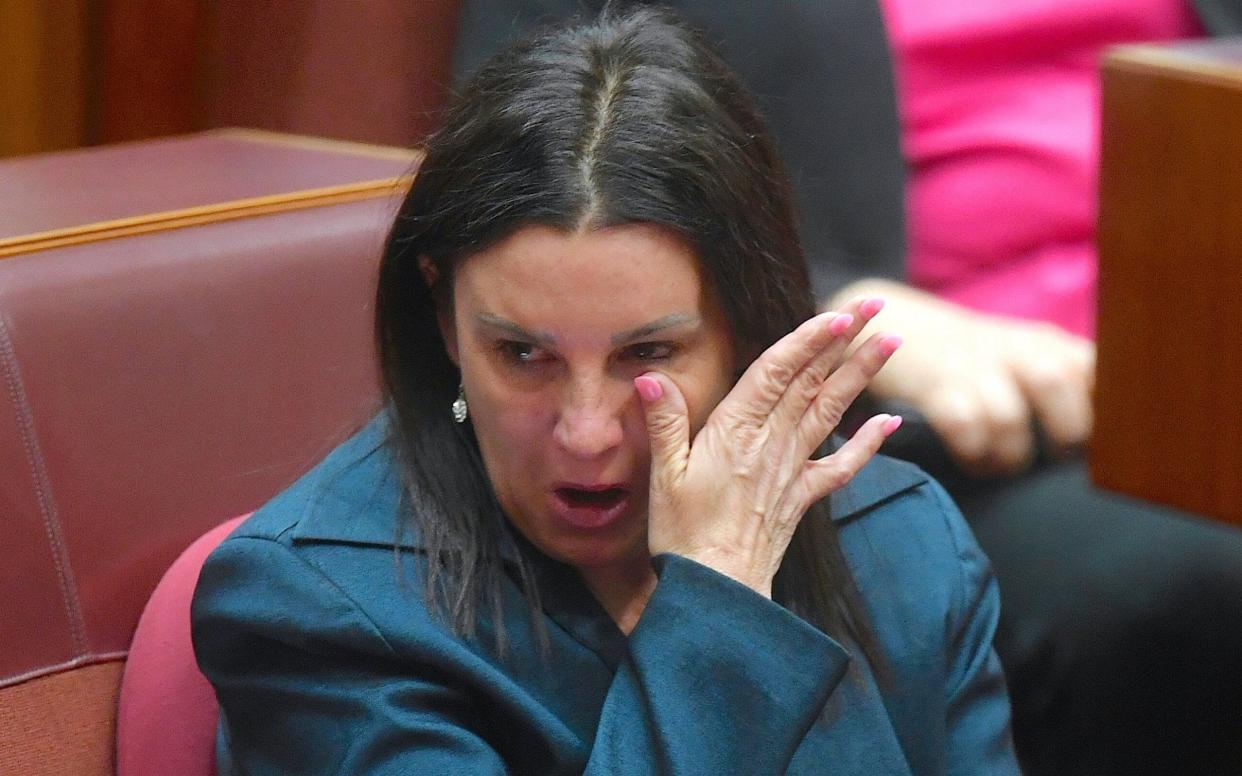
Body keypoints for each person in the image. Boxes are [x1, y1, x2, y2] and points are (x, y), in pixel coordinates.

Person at [192, 8, 1021, 774]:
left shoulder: (904, 546)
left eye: (648, 352)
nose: (586, 433)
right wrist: (719, 595)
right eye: (522, 354)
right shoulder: (315, 611)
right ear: (446, 323)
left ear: (741, 332)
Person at [452, 1, 1242, 774]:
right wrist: (833, 308)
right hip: (923, 415)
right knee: (1191, 578)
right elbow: (529, 164)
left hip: (1197, 375)